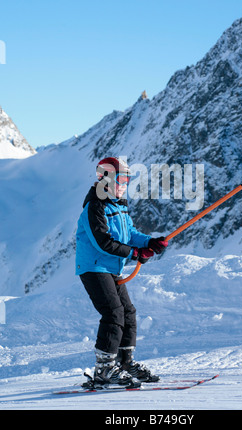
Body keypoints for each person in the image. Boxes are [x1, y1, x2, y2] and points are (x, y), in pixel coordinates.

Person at [75, 157, 168, 387]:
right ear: (105, 179)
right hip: (94, 267)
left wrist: (149, 242)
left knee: (128, 312)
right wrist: (135, 254)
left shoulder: (118, 204)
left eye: (127, 178)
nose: (125, 183)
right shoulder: (95, 206)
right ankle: (105, 369)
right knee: (113, 313)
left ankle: (124, 363)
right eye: (121, 178)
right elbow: (103, 243)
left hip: (111, 267)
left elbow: (130, 233)